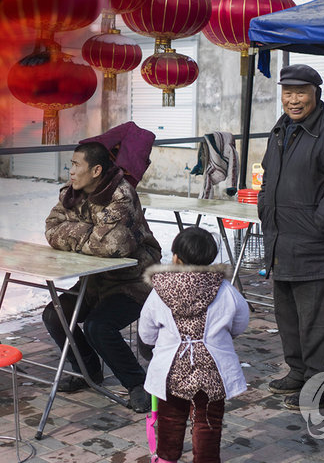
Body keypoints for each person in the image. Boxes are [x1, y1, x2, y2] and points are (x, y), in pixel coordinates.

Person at [257, 64, 324, 410]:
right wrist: (264, 207)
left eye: (300, 92)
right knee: (288, 317)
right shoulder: (281, 129)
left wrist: (319, 225)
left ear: (316, 93)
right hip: (282, 241)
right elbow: (269, 175)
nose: (293, 99)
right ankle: (299, 371)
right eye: (287, 92)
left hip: (318, 247)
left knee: (320, 321)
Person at [42, 141, 161, 413]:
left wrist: (75, 232)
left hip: (133, 280)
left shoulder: (120, 194)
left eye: (76, 165)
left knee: (98, 326)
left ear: (96, 170)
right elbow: (51, 229)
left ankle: (136, 383)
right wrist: (90, 232)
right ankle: (87, 370)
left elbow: (113, 244)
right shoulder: (73, 194)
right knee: (55, 314)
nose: (70, 171)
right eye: (70, 164)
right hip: (94, 279)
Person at [138, 227, 249, 463]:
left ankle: (166, 458)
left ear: (176, 257)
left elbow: (146, 330)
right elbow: (241, 321)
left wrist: (152, 344)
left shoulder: (160, 291)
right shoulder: (225, 289)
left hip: (172, 370)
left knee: (171, 420)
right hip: (213, 369)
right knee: (208, 423)